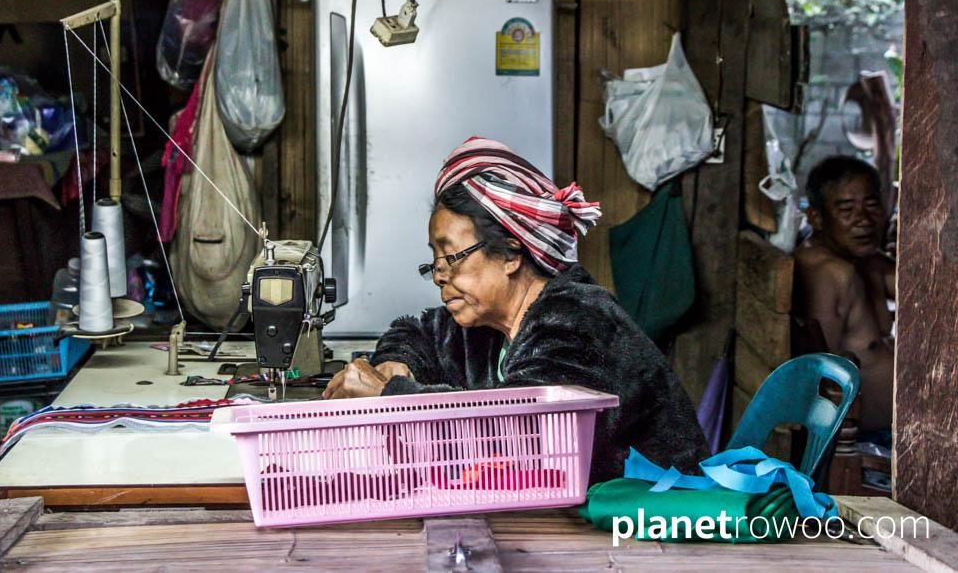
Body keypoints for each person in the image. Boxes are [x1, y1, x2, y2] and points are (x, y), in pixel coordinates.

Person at [324, 136, 709, 484]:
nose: (439, 275)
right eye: (434, 259)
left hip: (649, 522)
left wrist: (390, 394)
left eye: (451, 256)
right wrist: (397, 362)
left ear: (511, 254)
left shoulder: (579, 320)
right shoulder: (486, 327)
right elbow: (415, 331)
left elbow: (517, 434)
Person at [793, 155, 895, 434]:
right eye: (847, 210)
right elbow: (822, 379)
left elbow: (922, 287)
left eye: (871, 205)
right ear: (816, 217)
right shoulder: (830, 274)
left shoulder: (866, 260)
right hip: (862, 440)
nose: (864, 220)